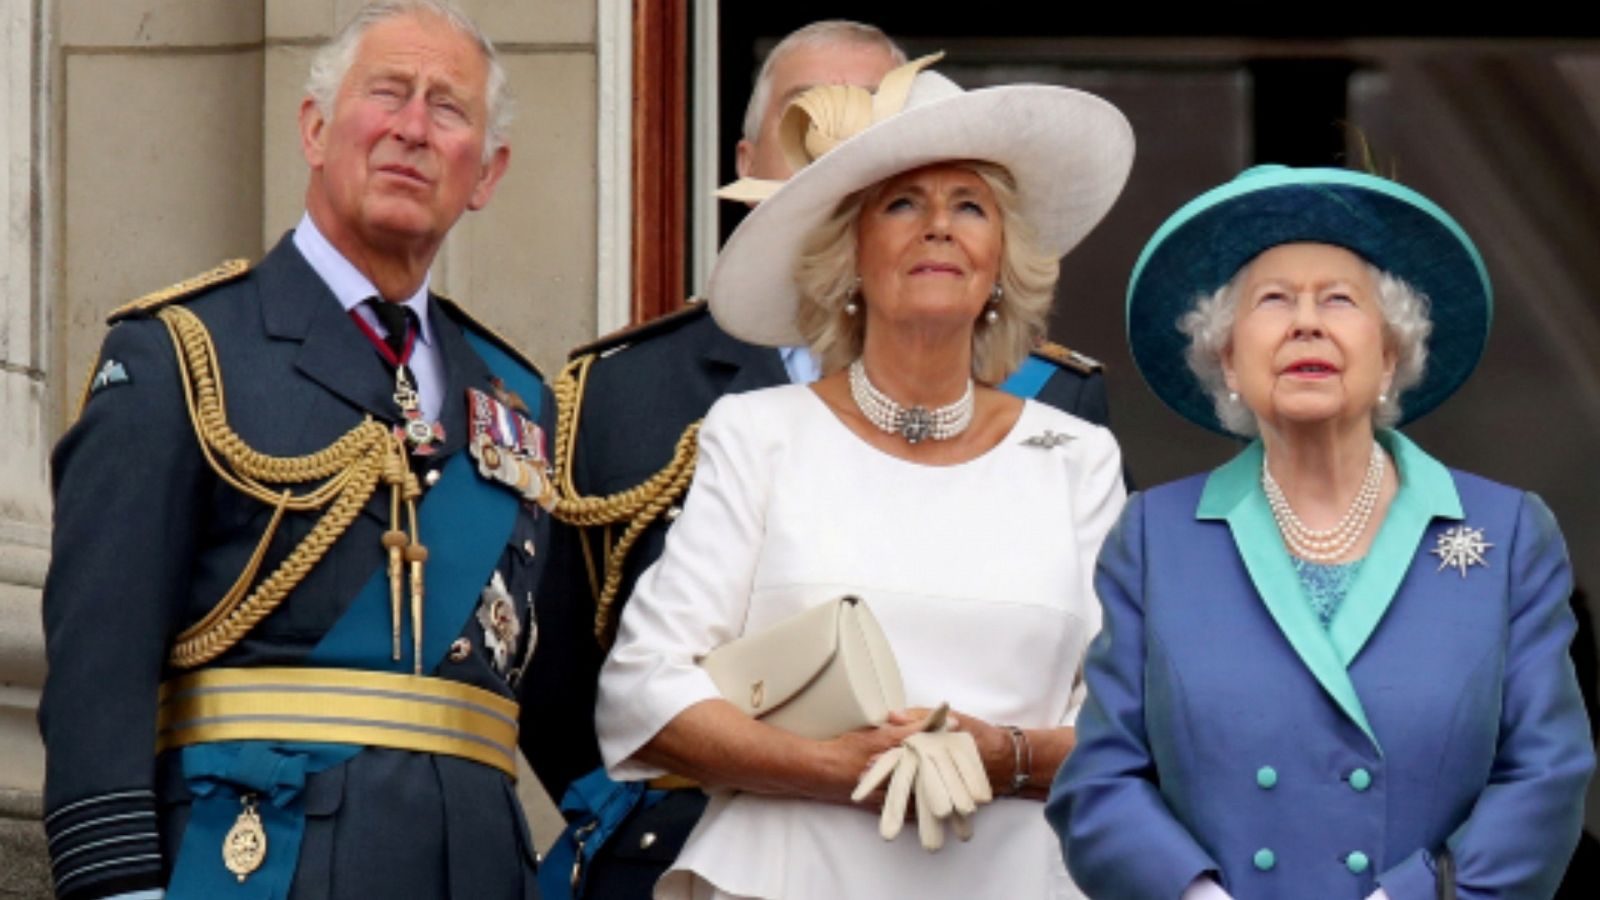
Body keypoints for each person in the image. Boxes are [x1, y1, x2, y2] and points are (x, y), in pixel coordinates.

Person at [524, 22, 1114, 895]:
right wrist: (837, 767)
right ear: (849, 257)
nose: (939, 228)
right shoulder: (755, 432)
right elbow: (642, 696)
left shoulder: (1076, 454)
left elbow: (1125, 725)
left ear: (1002, 264)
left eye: (970, 205)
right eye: (903, 204)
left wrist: (1006, 757)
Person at [37, 3, 551, 898]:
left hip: (471, 867)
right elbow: (99, 663)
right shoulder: (184, 352)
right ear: (315, 129)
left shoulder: (514, 396)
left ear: (488, 174)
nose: (410, 128)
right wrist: (116, 884)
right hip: (260, 859)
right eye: (387, 93)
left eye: (447, 108)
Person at [1048, 165, 1596, 899]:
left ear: (1391, 356)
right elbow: (1101, 778)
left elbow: (1546, 773)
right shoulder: (1155, 537)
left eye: (1339, 300)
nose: (1307, 321)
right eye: (1273, 301)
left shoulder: (1507, 533)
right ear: (1227, 360)